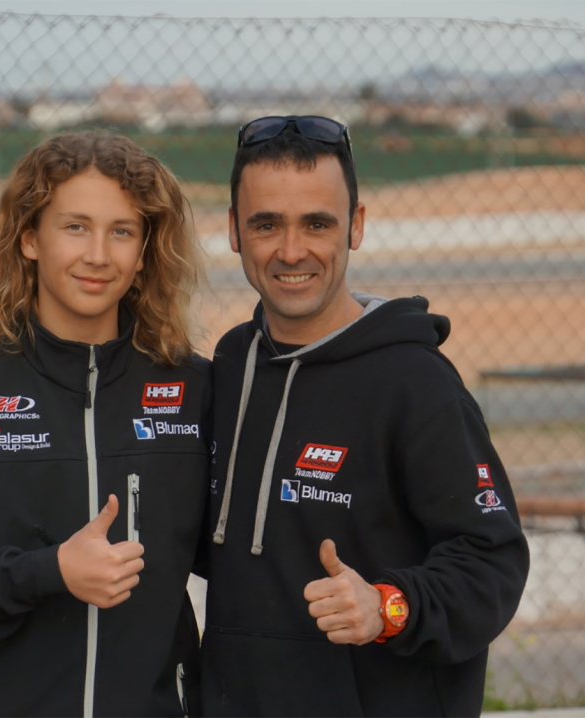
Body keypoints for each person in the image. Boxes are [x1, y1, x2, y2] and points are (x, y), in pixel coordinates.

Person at [0, 131, 211, 718]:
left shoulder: (194, 390)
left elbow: (246, 557)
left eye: (121, 231)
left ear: (145, 250)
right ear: (29, 238)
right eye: (75, 227)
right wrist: (48, 572)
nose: (98, 254)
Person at [201, 115, 530, 718]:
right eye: (266, 224)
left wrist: (387, 607)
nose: (291, 251)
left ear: (355, 226)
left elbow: (493, 563)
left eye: (317, 223)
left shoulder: (416, 384)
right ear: (232, 230)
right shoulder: (228, 365)